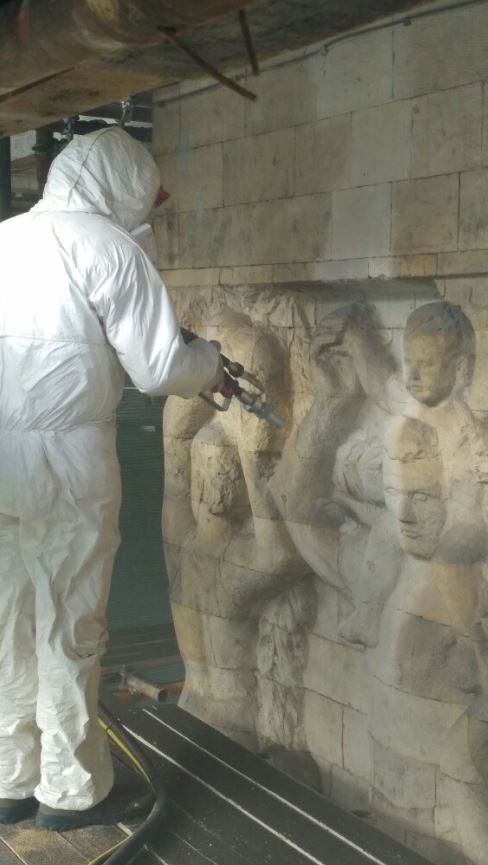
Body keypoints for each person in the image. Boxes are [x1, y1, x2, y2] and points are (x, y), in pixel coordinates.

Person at [0, 128, 224, 830]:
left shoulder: (6, 238)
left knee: (8, 619)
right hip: (66, 457)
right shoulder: (108, 248)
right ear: (126, 186)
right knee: (70, 622)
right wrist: (211, 364)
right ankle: (71, 793)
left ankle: (10, 777)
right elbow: (159, 368)